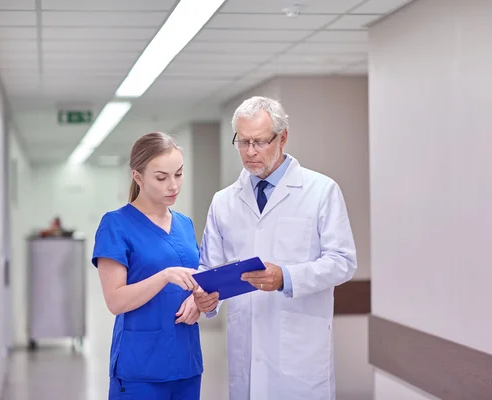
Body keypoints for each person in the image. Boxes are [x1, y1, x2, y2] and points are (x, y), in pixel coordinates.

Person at [193, 96, 357, 399]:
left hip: (300, 355)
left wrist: (287, 277)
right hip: (246, 351)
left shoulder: (321, 191)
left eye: (259, 142)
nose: (250, 152)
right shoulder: (224, 201)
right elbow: (209, 268)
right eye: (242, 142)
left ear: (282, 138)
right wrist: (206, 299)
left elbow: (343, 261)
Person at [92, 132, 203, 400]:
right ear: (138, 177)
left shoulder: (184, 224)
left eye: (178, 174)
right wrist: (164, 276)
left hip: (186, 360)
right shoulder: (116, 225)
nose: (173, 185)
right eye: (161, 177)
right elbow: (115, 301)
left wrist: (199, 302)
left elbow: (193, 283)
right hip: (140, 368)